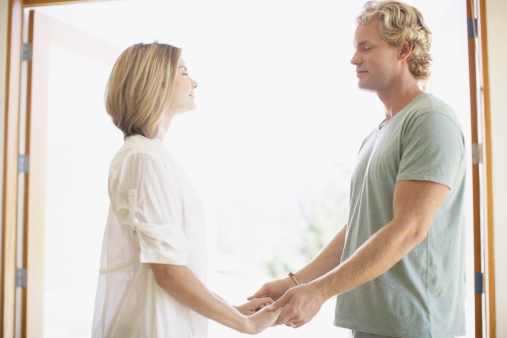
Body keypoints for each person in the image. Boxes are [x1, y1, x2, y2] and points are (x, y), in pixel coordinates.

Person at [249, 1, 466, 337]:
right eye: (355, 48)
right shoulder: (377, 134)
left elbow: (409, 229)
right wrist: (296, 281)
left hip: (414, 327)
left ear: (403, 49)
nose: (354, 59)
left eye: (366, 48)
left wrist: (320, 291)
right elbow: (361, 229)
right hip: (372, 324)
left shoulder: (430, 121)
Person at [91, 42, 282, 337]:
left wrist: (233, 309)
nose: (194, 81)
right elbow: (167, 272)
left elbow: (175, 267)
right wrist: (245, 324)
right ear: (156, 82)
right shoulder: (143, 158)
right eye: (184, 71)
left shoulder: (152, 155)